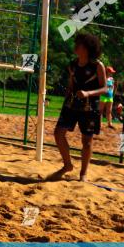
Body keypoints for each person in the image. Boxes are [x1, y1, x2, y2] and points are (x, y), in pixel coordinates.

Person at [49, 33, 107, 182]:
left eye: (78, 44)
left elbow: (105, 89)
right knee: (58, 133)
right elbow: (71, 85)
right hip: (71, 104)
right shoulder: (72, 65)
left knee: (87, 141)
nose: (75, 46)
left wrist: (88, 93)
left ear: (87, 48)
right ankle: (67, 165)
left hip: (89, 107)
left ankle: (83, 174)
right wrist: (67, 95)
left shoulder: (97, 65)